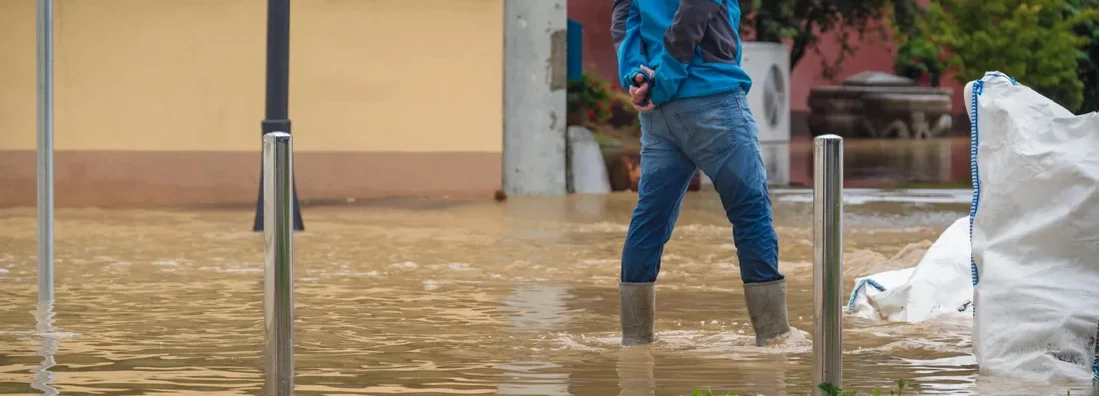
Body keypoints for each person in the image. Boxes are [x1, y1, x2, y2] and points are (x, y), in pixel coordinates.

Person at [611, 0, 790, 347]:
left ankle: (635, 344)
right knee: (751, 213)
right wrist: (663, 80)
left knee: (650, 220)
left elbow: (624, 18)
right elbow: (694, 12)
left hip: (657, 114)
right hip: (712, 99)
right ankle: (774, 339)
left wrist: (635, 76)